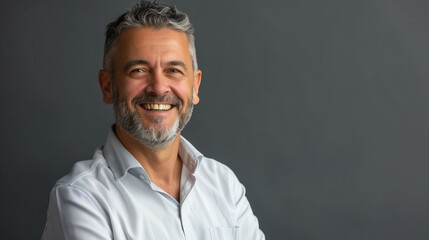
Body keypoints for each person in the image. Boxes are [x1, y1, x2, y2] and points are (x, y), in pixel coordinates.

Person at [42, 1, 265, 239]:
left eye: (174, 70)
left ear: (195, 86)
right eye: (139, 70)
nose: (158, 87)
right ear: (107, 86)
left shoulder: (224, 185)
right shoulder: (81, 197)